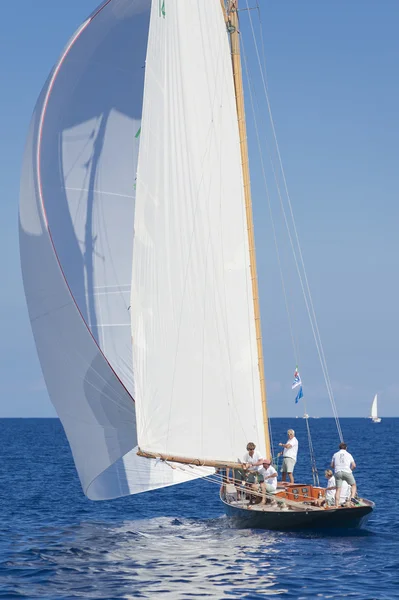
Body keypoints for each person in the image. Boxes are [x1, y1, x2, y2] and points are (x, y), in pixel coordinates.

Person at [331, 442, 357, 508]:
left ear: (339, 448)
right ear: (346, 448)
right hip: (347, 471)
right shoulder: (349, 454)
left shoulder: (335, 454)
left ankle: (336, 505)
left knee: (338, 489)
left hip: (338, 472)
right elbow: (354, 465)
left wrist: (337, 468)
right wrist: (350, 470)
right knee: (353, 485)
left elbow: (332, 465)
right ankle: (352, 498)